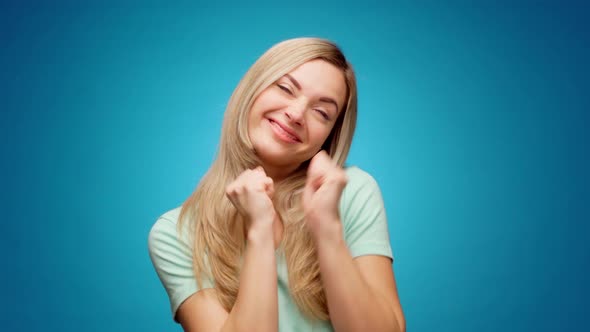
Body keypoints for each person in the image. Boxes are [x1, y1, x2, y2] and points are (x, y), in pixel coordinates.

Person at [148, 37, 405, 332]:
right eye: (285, 88)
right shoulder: (175, 234)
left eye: (321, 112)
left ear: (329, 136)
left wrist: (327, 227)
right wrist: (259, 232)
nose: (296, 114)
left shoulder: (351, 191)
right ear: (252, 89)